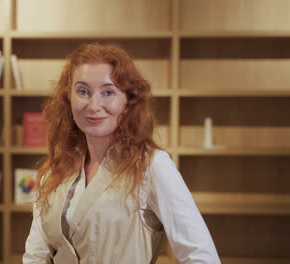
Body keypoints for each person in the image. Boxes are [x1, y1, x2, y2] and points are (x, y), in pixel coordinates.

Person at [23, 43, 220, 263]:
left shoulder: (151, 166)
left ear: (128, 101)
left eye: (108, 92)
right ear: (68, 98)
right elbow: (35, 256)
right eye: (83, 91)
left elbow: (201, 257)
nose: (94, 105)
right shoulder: (55, 171)